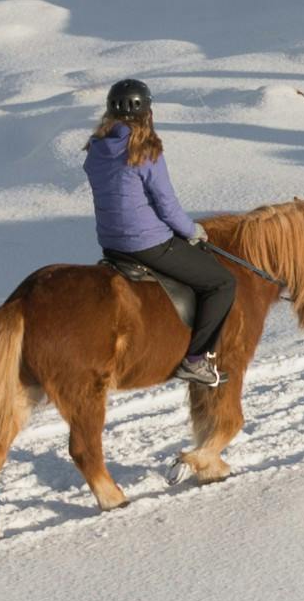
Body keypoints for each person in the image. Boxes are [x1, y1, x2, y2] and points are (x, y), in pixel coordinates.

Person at [85, 78, 231, 388]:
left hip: (112, 246)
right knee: (221, 282)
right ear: (147, 112)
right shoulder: (145, 150)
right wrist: (192, 231)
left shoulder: (96, 149)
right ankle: (195, 361)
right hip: (148, 244)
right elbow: (166, 203)